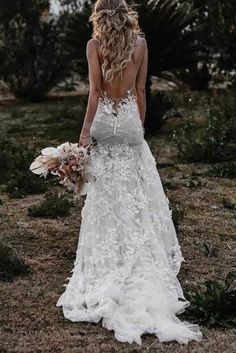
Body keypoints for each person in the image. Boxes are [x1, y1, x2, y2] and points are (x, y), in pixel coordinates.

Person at [56, 0, 203, 345]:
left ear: (99, 17)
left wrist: (84, 134)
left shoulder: (94, 45)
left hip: (105, 123)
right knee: (137, 194)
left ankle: (109, 262)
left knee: (106, 196)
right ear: (125, 14)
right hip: (130, 125)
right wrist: (137, 126)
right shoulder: (140, 44)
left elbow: (94, 92)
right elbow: (139, 91)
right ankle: (140, 257)